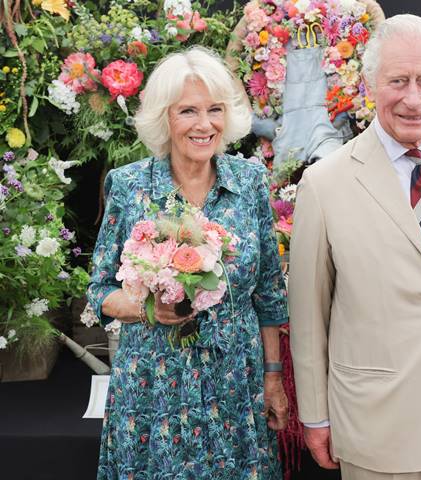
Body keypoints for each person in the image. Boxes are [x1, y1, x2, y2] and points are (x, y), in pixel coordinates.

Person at [289, 14, 421, 480]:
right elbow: (307, 315)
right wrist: (316, 415)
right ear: (369, 85)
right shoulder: (324, 185)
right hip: (378, 426)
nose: (413, 98)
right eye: (397, 81)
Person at [87, 47, 289, 480]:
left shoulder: (249, 182)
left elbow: (269, 292)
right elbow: (100, 289)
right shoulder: (129, 187)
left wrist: (274, 379)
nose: (205, 124)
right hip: (154, 389)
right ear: (164, 118)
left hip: (237, 383)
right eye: (188, 111)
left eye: (215, 109)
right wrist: (147, 309)